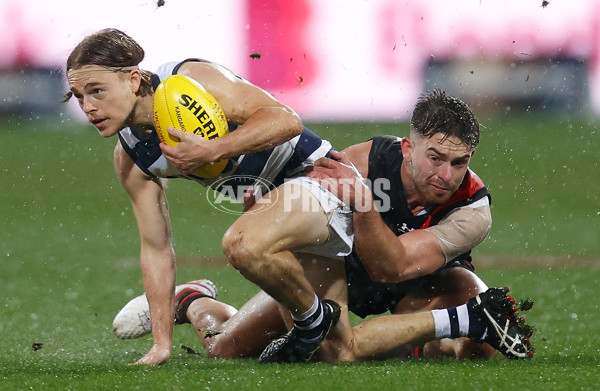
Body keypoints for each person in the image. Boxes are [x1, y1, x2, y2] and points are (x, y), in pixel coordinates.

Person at [113, 90, 534, 362]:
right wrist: (265, 209)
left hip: (423, 280)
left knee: (477, 352)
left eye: (460, 163)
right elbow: (307, 201)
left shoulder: (473, 209)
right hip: (342, 266)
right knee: (226, 349)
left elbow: (396, 268)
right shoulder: (367, 161)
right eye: (436, 158)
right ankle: (193, 301)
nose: (447, 175)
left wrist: (365, 206)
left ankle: (437, 334)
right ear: (408, 148)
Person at [66, 28, 352, 365]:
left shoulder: (190, 79)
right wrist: (161, 346)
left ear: (132, 79)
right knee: (241, 350)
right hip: (279, 226)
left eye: (96, 91)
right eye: (78, 96)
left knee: (243, 245)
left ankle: (312, 320)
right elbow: (156, 248)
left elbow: (286, 120)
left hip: (320, 182)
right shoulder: (131, 156)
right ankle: (194, 302)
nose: (88, 107)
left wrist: (215, 148)